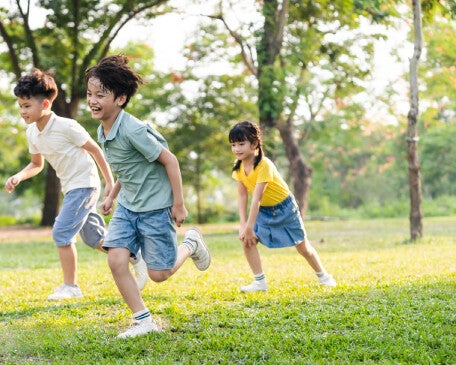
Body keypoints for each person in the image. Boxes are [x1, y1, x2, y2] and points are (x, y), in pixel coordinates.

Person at [85, 54, 211, 338]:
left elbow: (171, 161)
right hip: (129, 206)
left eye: (100, 95)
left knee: (159, 274)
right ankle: (143, 320)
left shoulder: (134, 130)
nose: (92, 100)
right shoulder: (103, 129)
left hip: (156, 207)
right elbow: (126, 168)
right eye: (90, 94)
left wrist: (178, 204)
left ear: (120, 98)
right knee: (116, 260)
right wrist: (112, 195)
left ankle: (190, 244)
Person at [5, 68, 148, 301]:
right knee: (94, 238)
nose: (22, 111)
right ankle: (134, 254)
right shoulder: (32, 132)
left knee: (61, 232)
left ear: (45, 104)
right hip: (70, 187)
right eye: (20, 105)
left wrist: (110, 186)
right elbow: (36, 164)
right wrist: (19, 176)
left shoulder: (67, 126)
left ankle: (71, 286)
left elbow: (96, 151)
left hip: (85, 184)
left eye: (27, 105)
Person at [229, 121, 336, 292]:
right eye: (233, 145)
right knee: (246, 240)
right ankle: (259, 282)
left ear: (254, 144)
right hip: (264, 211)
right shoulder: (238, 167)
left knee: (303, 248)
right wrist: (243, 225)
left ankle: (324, 276)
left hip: (285, 208)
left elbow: (256, 197)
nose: (237, 149)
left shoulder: (264, 165)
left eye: (241, 144)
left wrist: (249, 226)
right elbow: (242, 196)